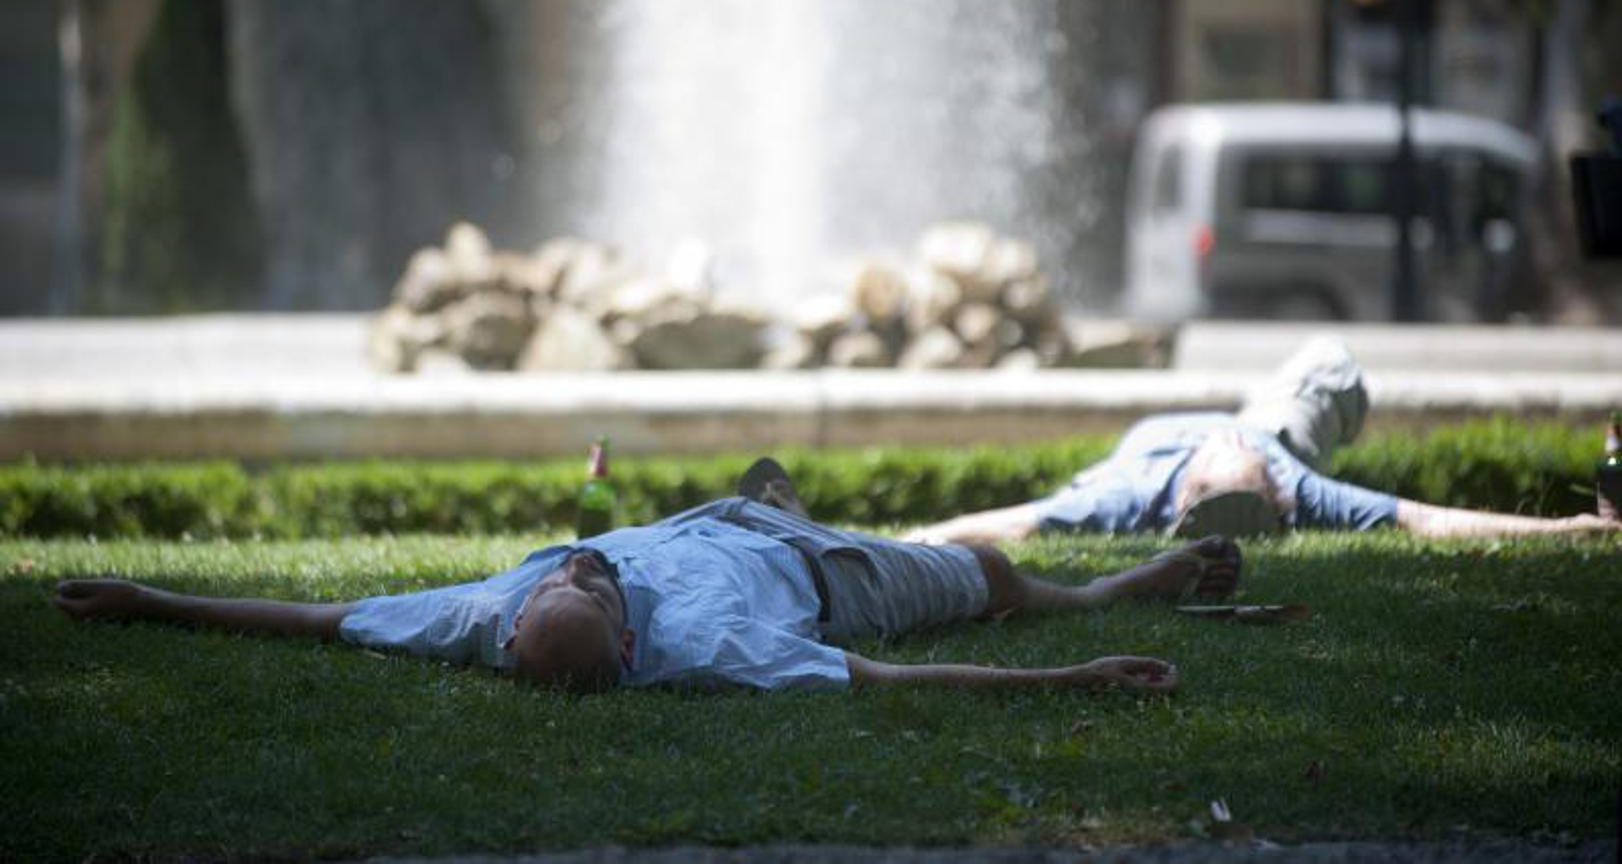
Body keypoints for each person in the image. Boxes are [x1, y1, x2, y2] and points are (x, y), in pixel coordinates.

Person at [52, 465, 1242, 696]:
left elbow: (314, 617)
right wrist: (1065, 677)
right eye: (591, 585)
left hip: (708, 517)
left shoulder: (476, 618)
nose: (580, 566)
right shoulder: (714, 654)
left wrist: (153, 601)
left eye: (566, 577)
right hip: (825, 579)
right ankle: (1104, 592)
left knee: (762, 495)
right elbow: (880, 674)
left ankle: (769, 494)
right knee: (985, 571)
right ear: (626, 647)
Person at [906, 336, 1622, 545]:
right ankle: (1303, 416)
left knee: (1324, 367)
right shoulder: (1293, 475)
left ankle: (1259, 446)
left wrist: (906, 542)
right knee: (1331, 363)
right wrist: (1571, 529)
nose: (1278, 491)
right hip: (1271, 424)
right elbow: (1427, 520)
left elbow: (1009, 525)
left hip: (1249, 430)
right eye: (1272, 496)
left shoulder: (1123, 496)